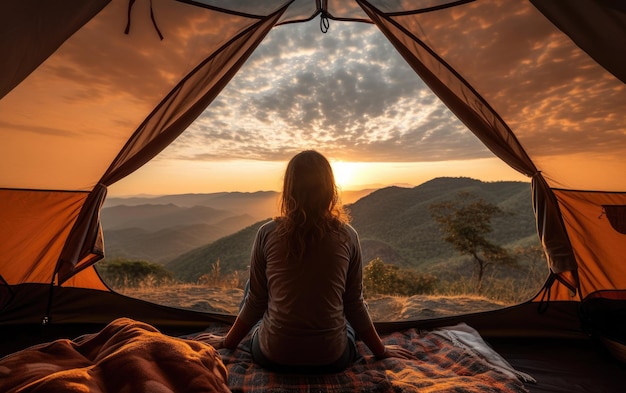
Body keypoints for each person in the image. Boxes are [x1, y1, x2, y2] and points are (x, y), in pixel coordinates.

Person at [209, 150, 414, 372]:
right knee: (344, 314)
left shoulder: (266, 233)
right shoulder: (348, 235)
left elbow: (255, 302)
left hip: (273, 355)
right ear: (330, 190)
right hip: (331, 359)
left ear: (289, 190)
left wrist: (225, 343)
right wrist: (381, 351)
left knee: (253, 289)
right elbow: (354, 304)